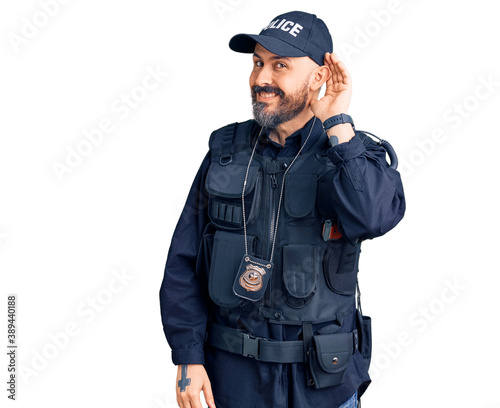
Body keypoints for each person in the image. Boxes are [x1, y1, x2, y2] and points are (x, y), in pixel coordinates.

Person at [159, 10, 405, 408]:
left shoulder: (352, 155)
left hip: (324, 386)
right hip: (233, 383)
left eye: (280, 66)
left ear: (320, 77)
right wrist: (187, 356)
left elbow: (375, 217)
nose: (261, 79)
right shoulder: (225, 152)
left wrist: (339, 126)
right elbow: (184, 261)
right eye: (258, 62)